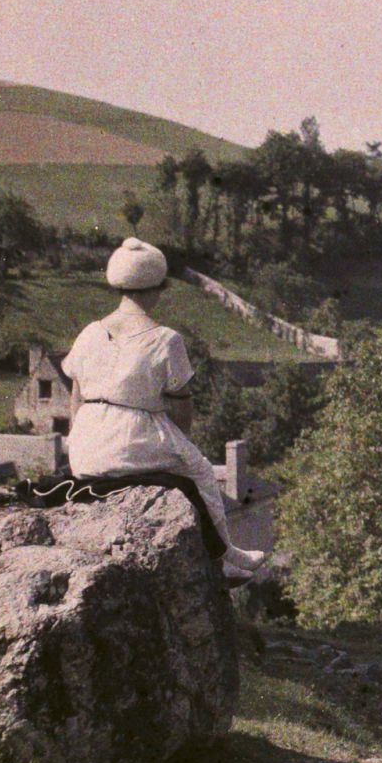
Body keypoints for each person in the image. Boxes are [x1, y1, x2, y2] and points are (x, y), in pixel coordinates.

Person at [61, 238, 268, 579]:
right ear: (158, 288)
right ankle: (224, 556)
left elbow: (76, 396)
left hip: (84, 446)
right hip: (130, 440)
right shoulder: (164, 339)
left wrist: (78, 438)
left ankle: (225, 554)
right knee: (199, 470)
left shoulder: (90, 333)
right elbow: (181, 406)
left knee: (187, 465)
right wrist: (178, 443)